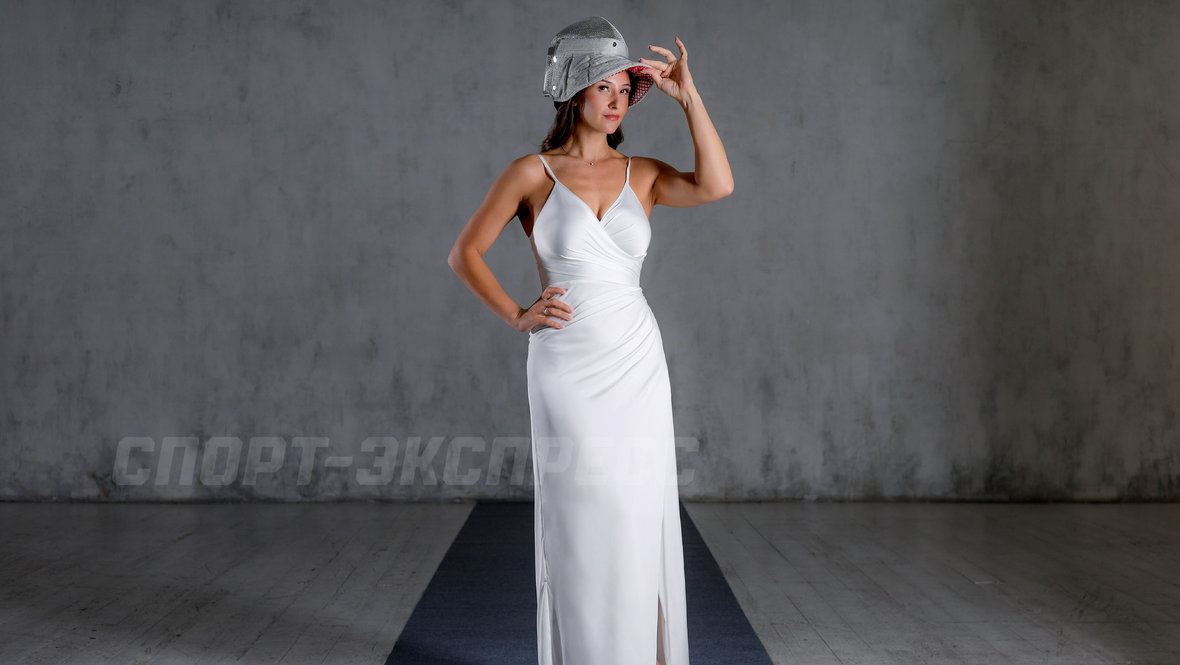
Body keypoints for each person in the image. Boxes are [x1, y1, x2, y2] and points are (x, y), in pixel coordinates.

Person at [447, 16, 732, 665]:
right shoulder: (530, 173)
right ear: (574, 90)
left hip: (635, 361)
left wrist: (690, 98)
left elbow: (718, 184)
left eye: (626, 89)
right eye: (605, 86)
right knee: (580, 511)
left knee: (634, 509)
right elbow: (464, 253)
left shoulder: (645, 173)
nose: (617, 100)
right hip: (564, 364)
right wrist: (517, 314)